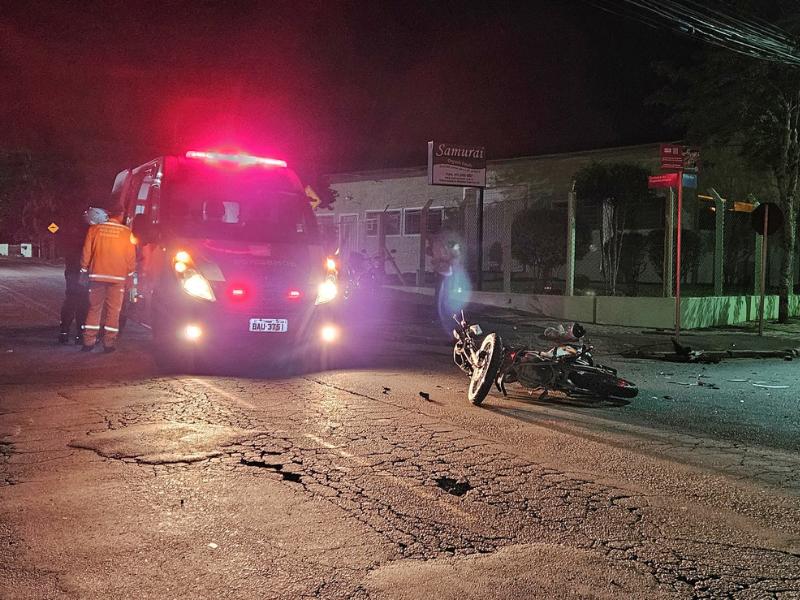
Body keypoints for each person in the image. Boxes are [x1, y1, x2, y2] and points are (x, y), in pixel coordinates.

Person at [79, 205, 135, 353]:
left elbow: (86, 252)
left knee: (94, 308)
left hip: (97, 276)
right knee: (113, 311)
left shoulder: (94, 229)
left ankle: (88, 342)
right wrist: (130, 275)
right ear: (121, 215)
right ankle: (108, 343)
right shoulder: (126, 232)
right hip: (117, 278)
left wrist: (83, 270)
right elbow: (130, 257)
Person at [58, 211, 93, 344]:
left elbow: (65, 249)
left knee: (71, 301)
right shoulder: (89, 232)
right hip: (82, 272)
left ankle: (64, 332)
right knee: (82, 303)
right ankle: (80, 334)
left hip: (72, 271)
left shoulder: (70, 233)